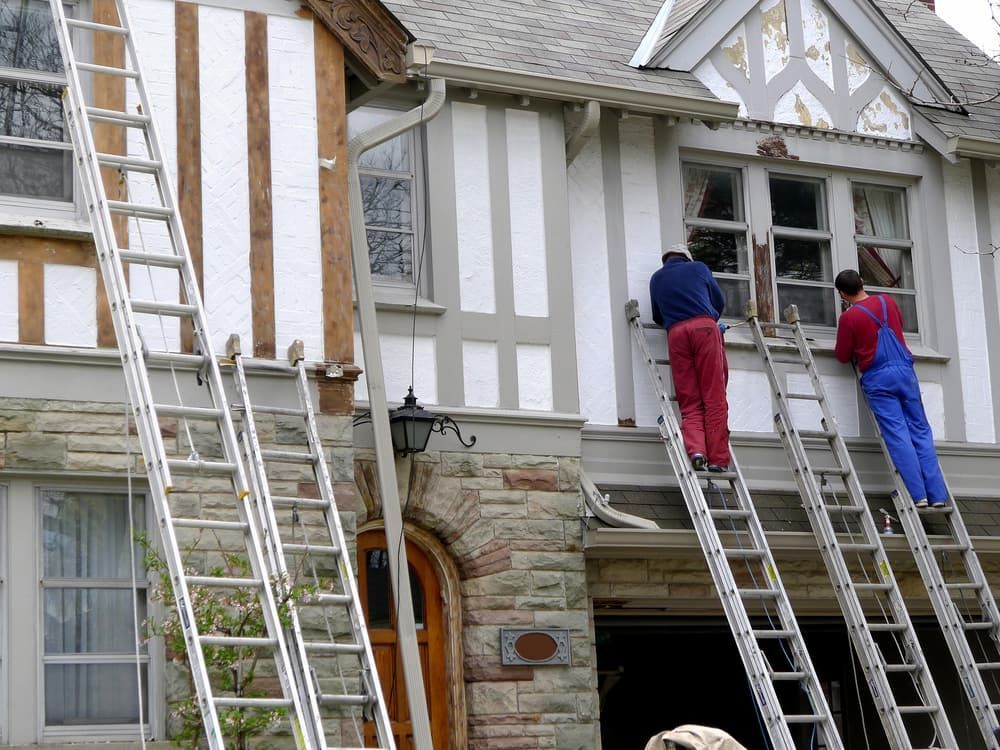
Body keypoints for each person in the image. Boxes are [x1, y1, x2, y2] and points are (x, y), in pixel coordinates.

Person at [833, 269, 947, 508]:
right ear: (862, 282)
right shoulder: (888, 302)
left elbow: (843, 355)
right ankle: (937, 495)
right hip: (905, 373)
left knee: (897, 434)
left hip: (878, 378)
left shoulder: (849, 318)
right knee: (921, 431)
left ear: (843, 294)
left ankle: (919, 496)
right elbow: (898, 327)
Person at [649, 242, 729, 472]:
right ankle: (718, 459)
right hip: (704, 328)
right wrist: (709, 318)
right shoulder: (699, 268)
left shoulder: (656, 279)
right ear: (686, 257)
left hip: (675, 334)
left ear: (667, 260)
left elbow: (657, 315)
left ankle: (697, 451)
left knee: (689, 400)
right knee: (714, 397)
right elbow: (718, 301)